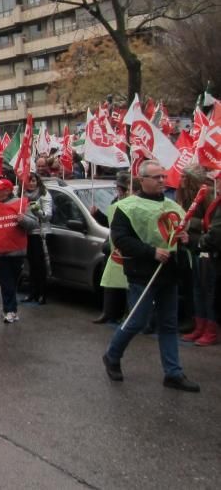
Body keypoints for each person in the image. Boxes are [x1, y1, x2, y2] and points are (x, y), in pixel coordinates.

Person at [102, 160, 199, 392]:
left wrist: (187, 240)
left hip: (169, 273)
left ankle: (173, 373)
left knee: (168, 323)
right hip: (142, 273)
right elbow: (121, 240)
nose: (162, 181)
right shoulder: (127, 207)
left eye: (163, 177)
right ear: (142, 180)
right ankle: (112, 355)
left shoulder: (173, 207)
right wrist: (151, 252)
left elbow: (181, 236)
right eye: (157, 177)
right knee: (138, 319)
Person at [0, 178, 37, 323]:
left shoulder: (21, 204)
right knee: (6, 282)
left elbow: (33, 224)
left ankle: (10, 308)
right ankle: (10, 310)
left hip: (17, 250)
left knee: (13, 282)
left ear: (8, 190)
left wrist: (23, 219)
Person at [179, 166, 217, 346]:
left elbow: (210, 224)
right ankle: (199, 326)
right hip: (192, 245)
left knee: (207, 289)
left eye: (184, 176)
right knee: (196, 288)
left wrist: (188, 222)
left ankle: (210, 330)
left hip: (206, 247)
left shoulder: (208, 193)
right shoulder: (183, 193)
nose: (181, 179)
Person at [91, 172, 132, 324]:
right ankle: (108, 312)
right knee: (108, 280)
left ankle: (127, 314)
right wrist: (97, 215)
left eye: (122, 187)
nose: (119, 190)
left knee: (127, 282)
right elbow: (110, 222)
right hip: (112, 246)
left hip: (125, 248)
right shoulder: (116, 201)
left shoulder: (133, 202)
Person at [21, 172, 53, 305]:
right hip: (27, 232)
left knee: (40, 266)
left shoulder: (44, 194)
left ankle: (42, 294)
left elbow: (48, 215)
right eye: (29, 181)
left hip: (40, 233)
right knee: (31, 265)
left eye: (34, 181)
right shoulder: (22, 194)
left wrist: (37, 210)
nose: (32, 183)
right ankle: (32, 292)